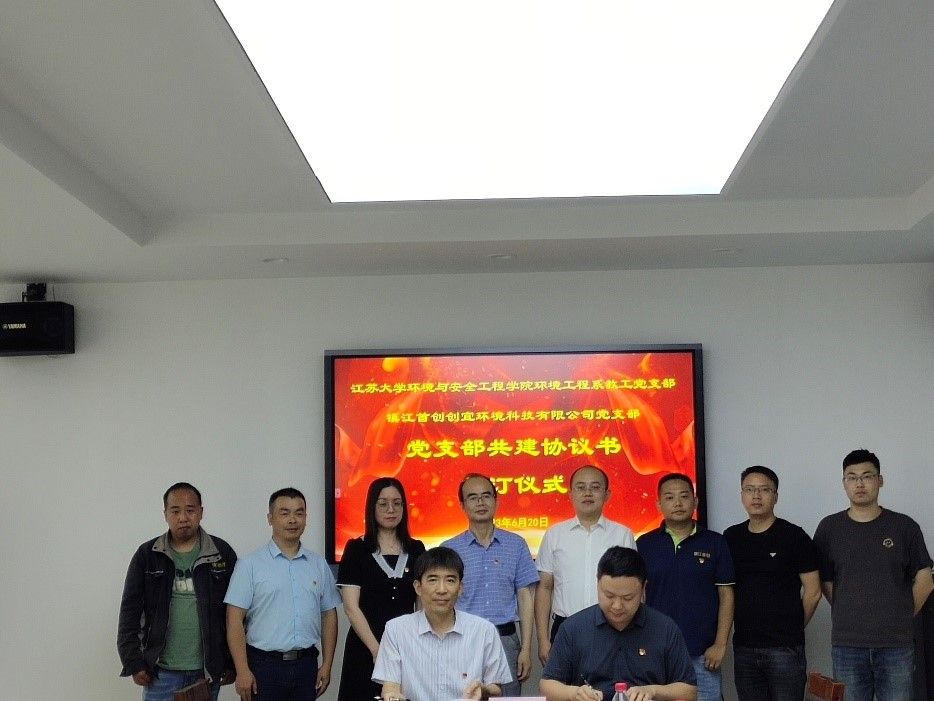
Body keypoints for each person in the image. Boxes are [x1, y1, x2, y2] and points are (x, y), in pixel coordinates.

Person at [813, 448, 933, 701]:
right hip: (847, 645)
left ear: (880, 480)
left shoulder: (904, 526)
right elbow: (824, 581)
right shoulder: (829, 528)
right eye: (852, 477)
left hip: (896, 645)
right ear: (844, 483)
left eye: (867, 476)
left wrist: (901, 614)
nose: (859, 483)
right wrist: (848, 607)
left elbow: (925, 580)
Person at [118, 482, 237, 701]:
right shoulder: (147, 555)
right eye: (175, 511)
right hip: (160, 673)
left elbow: (236, 613)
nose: (183, 518)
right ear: (165, 514)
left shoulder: (222, 553)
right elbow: (129, 612)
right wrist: (133, 661)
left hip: (206, 673)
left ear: (201, 512)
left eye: (190, 510)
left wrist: (231, 662)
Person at [225, 487, 340, 701]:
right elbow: (234, 620)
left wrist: (327, 664)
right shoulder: (249, 565)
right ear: (270, 518)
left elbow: (329, 615)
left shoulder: (318, 564)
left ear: (305, 518)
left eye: (299, 513)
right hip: (263, 667)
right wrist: (242, 670)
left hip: (306, 665)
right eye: (284, 513)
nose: (292, 520)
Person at [539, 546, 697, 701]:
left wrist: (653, 691)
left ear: (643, 588)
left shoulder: (665, 629)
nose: (617, 606)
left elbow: (689, 691)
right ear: (598, 584)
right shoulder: (573, 628)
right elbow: (547, 685)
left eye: (627, 598)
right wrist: (574, 693)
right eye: (609, 596)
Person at [724, 465, 821, 701]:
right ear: (742, 496)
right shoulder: (731, 537)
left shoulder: (794, 536)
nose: (756, 496)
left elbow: (813, 591)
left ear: (775, 496)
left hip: (785, 649)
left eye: (764, 490)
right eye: (749, 489)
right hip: (744, 647)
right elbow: (725, 591)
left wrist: (794, 625)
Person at [636, 474, 734, 701]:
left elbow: (726, 596)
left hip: (702, 654)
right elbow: (636, 596)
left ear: (695, 501)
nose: (678, 503)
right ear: (659, 504)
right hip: (655, 652)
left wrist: (720, 645)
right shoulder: (644, 544)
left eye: (684, 496)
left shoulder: (715, 542)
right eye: (670, 497)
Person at [441, 472, 538, 696]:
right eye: (473, 497)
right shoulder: (449, 549)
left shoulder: (516, 544)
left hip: (505, 641)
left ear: (496, 501)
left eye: (486, 496)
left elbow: (524, 596)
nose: (480, 502)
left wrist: (525, 649)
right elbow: (442, 601)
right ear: (462, 505)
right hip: (462, 642)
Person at [372, 546, 513, 701]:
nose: (441, 589)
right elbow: (390, 687)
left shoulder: (484, 630)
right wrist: (392, 695)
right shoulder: (396, 630)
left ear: (460, 588)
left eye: (450, 580)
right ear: (418, 587)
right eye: (432, 580)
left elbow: (496, 688)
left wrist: (483, 690)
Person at [536, 465, 636, 665]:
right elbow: (545, 588)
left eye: (595, 487)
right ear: (570, 494)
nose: (588, 493)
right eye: (581, 487)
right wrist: (543, 640)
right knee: (564, 684)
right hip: (565, 627)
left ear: (607, 495)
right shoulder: (555, 534)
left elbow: (635, 588)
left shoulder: (622, 534)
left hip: (613, 626)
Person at [336, 477, 426, 701]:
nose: (391, 509)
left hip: (406, 648)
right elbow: (351, 608)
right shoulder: (356, 549)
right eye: (383, 503)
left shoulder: (416, 549)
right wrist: (377, 651)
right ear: (372, 507)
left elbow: (422, 604)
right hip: (365, 647)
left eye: (397, 503)